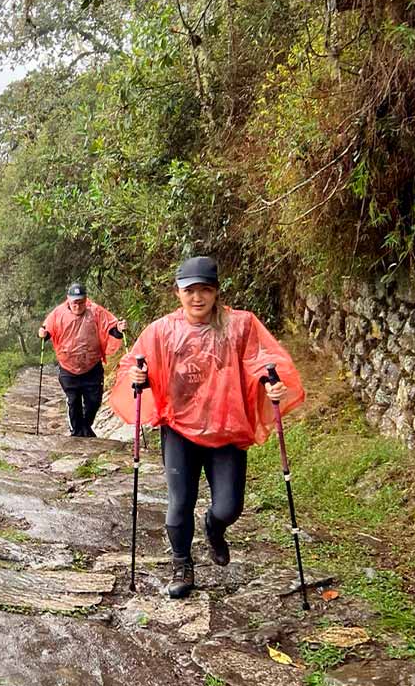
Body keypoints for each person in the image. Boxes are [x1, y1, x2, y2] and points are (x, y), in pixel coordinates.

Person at [108, 256, 305, 599]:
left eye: (205, 290)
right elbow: (135, 366)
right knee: (179, 503)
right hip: (179, 428)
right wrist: (140, 376)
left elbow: (263, 359)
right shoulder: (162, 331)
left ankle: (214, 528)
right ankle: (182, 564)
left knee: (229, 507)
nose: (197, 297)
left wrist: (270, 382)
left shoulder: (240, 325)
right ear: (178, 293)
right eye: (190, 291)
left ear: (216, 292)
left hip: (226, 428)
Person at [38, 283, 126, 437]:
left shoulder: (96, 311)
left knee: (94, 401)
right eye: (74, 302)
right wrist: (43, 334)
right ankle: (77, 433)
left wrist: (119, 329)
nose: (78, 306)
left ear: (86, 299)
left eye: (81, 302)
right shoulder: (58, 313)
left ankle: (85, 427)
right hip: (68, 367)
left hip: (92, 366)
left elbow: (111, 329)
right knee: (73, 401)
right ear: (68, 300)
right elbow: (47, 331)